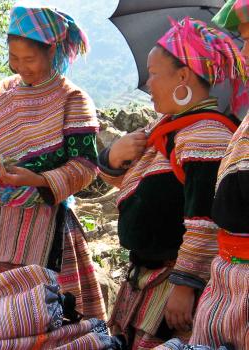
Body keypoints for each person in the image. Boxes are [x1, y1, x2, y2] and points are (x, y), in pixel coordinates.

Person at [0, 5, 106, 321]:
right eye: (14, 58)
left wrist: (35, 180)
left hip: (43, 222)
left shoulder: (72, 99)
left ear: (53, 52)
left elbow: (86, 165)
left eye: (29, 59)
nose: (20, 67)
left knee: (35, 317)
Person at [99, 18, 246, 349]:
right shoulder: (167, 130)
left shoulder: (207, 136)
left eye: (153, 73)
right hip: (146, 279)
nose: (148, 83)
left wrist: (184, 285)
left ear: (182, 76)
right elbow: (133, 189)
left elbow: (204, 221)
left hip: (173, 288)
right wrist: (111, 156)